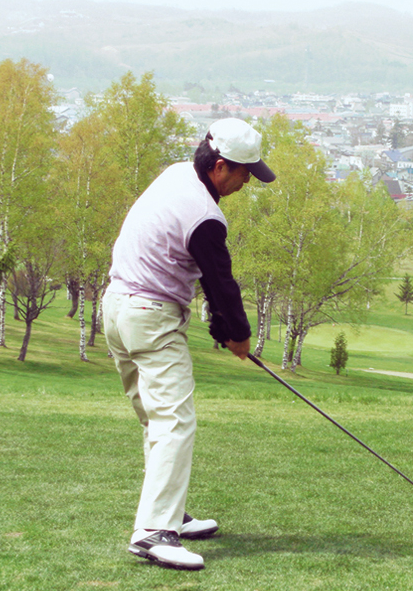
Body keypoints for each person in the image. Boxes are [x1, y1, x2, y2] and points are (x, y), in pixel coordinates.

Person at [102, 118, 275, 570]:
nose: (246, 183)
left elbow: (196, 271)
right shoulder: (206, 218)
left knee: (156, 420)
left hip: (116, 310)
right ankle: (154, 531)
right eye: (245, 174)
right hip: (150, 320)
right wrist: (237, 334)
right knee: (175, 421)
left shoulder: (175, 172)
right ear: (220, 167)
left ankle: (170, 514)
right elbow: (221, 284)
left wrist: (224, 326)